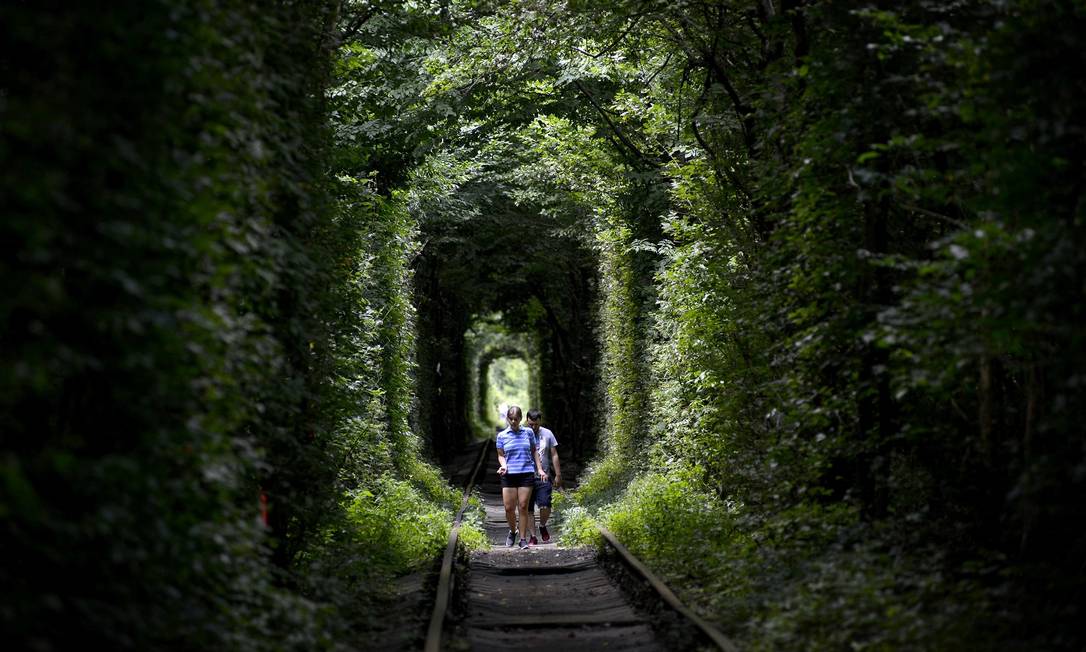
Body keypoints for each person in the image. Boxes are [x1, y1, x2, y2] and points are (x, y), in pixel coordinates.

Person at [495, 405, 547, 549]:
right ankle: (513, 531)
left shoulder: (528, 433)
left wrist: (540, 469)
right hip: (509, 475)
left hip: (526, 473)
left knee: (523, 507)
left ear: (520, 418)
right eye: (510, 419)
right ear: (507, 419)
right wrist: (503, 465)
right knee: (509, 508)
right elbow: (500, 454)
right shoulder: (502, 436)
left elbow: (534, 451)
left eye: (516, 419)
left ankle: (523, 539)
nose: (513, 422)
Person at [525, 408, 562, 544]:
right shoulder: (523, 434)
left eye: (536, 424)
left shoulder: (548, 433)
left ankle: (542, 526)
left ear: (540, 421)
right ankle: (533, 537)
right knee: (528, 509)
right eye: (530, 424)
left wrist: (558, 475)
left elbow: (554, 454)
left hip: (544, 475)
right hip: (526, 476)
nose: (533, 427)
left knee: (545, 505)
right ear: (527, 421)